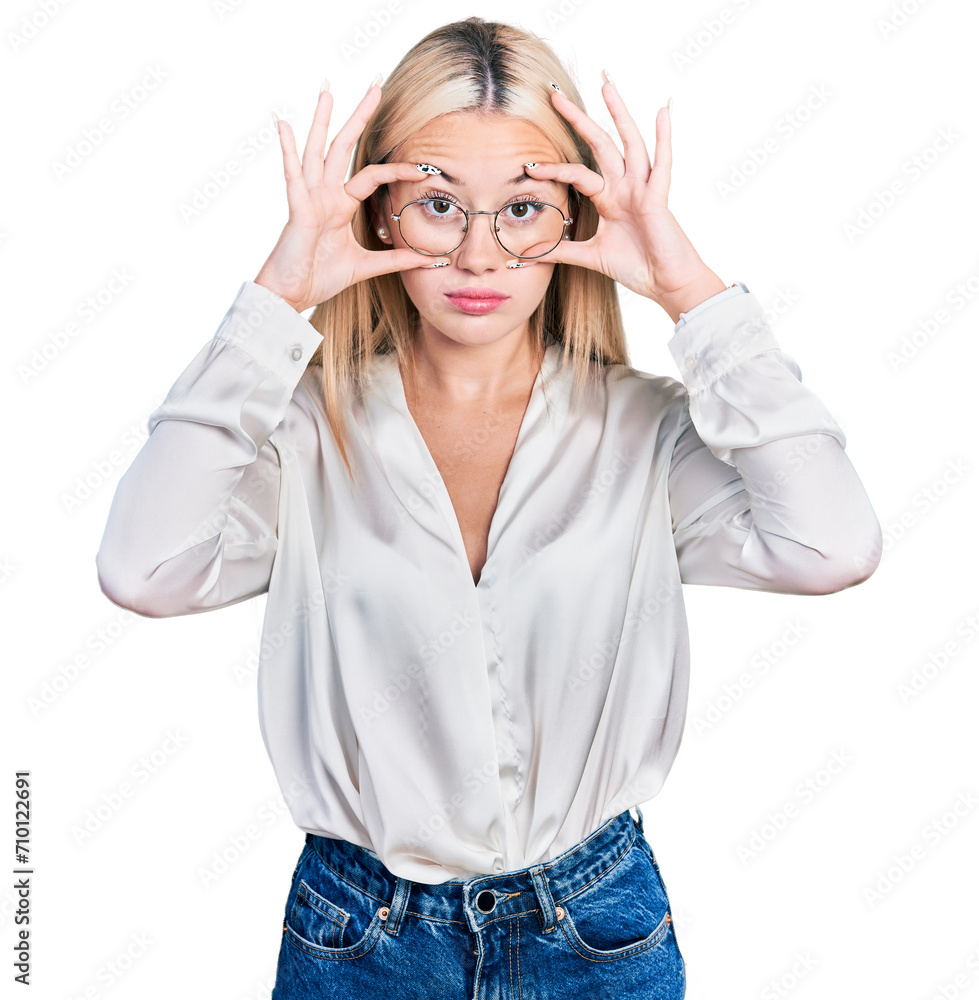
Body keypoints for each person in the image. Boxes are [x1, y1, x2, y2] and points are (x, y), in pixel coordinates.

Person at [95, 16, 882, 999]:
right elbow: (141, 567)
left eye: (521, 207)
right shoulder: (304, 433)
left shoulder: (643, 431)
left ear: (575, 217)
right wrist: (274, 299)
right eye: (436, 202)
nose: (478, 253)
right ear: (377, 212)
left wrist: (689, 290)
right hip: (360, 936)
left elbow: (834, 542)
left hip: (597, 929)